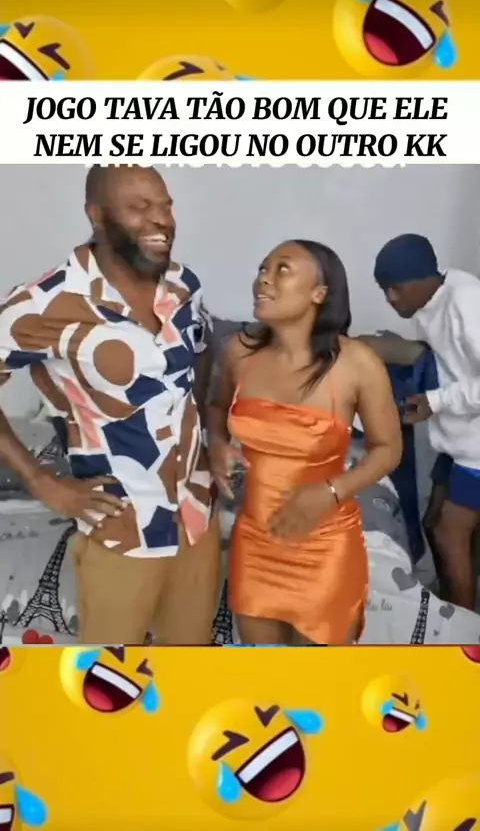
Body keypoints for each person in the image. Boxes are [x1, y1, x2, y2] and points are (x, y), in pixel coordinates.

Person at [0, 165, 220, 644]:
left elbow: (203, 350)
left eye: (165, 206)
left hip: (196, 515)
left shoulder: (183, 284)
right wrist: (42, 482)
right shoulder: (46, 302)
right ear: (96, 216)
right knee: (108, 677)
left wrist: (208, 434)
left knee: (189, 670)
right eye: (139, 207)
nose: (161, 220)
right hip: (122, 526)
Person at [209, 239, 402, 645]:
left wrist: (330, 491)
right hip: (255, 541)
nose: (264, 278)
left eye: (282, 269)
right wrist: (218, 444)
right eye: (263, 268)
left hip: (324, 545)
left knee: (319, 678)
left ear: (319, 293)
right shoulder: (239, 352)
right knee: (265, 673)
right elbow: (217, 408)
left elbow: (388, 449)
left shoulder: (357, 363)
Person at [374, 232, 480, 611]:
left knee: (450, 535)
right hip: (459, 442)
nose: (390, 298)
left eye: (396, 289)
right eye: (385, 290)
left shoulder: (467, 303)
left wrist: (436, 401)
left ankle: (464, 629)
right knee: (433, 522)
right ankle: (451, 607)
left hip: (476, 452)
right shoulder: (432, 298)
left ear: (423, 280)